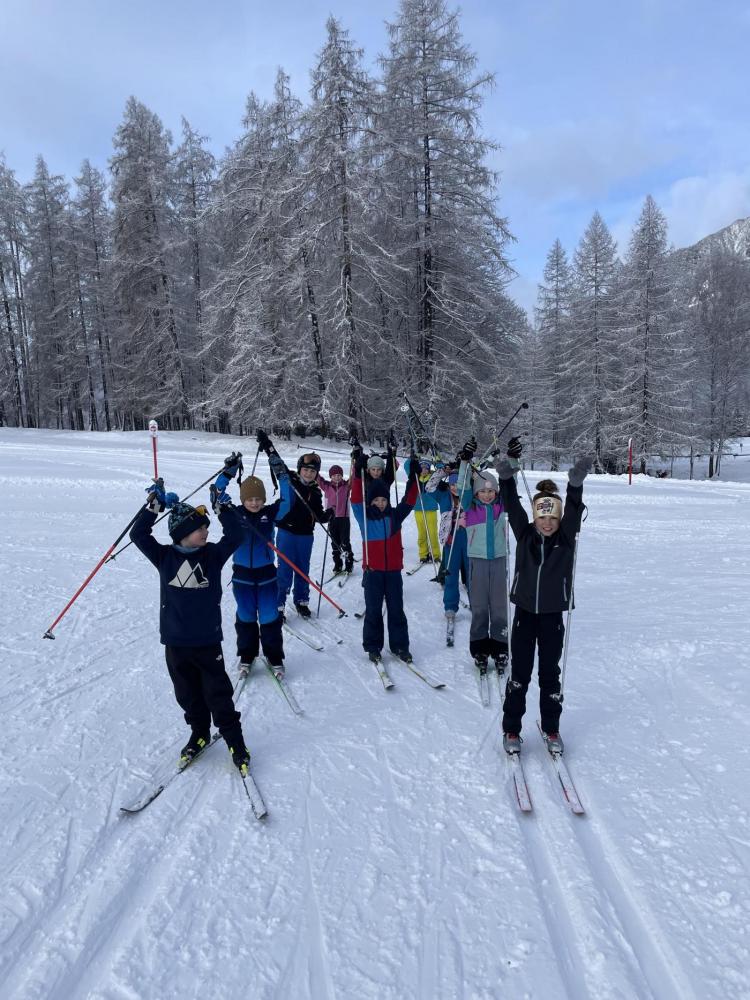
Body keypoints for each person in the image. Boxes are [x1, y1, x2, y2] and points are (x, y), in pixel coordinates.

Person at [129, 479, 250, 774]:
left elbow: (236, 534)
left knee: (218, 694)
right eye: (200, 528)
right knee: (187, 694)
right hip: (175, 642)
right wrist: (153, 507)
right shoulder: (165, 557)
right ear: (182, 534)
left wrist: (223, 509)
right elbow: (138, 534)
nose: (206, 532)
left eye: (206, 527)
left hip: (207, 641)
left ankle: (235, 742)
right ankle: (199, 733)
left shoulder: (212, 556)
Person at [494, 448, 591, 755]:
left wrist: (575, 485)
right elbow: (512, 506)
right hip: (524, 614)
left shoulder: (566, 538)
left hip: (552, 617)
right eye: (542, 518)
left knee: (550, 675)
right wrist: (505, 480)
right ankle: (512, 729)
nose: (547, 524)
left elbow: (573, 510)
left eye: (552, 518)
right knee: (519, 675)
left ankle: (551, 728)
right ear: (535, 518)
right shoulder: (525, 535)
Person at [213, 451, 292, 674]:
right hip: (242, 576)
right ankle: (247, 656)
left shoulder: (270, 514)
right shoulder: (234, 514)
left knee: (269, 617)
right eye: (250, 499)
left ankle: (274, 657)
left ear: (263, 499)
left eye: (258, 499)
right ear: (243, 500)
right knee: (246, 616)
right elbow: (216, 496)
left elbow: (287, 501)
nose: (254, 503)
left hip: (266, 575)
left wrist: (282, 474)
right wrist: (228, 472)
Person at [350, 452, 420, 661]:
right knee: (373, 610)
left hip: (393, 573)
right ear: (370, 501)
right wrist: (357, 475)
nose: (380, 503)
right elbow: (355, 499)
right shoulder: (364, 518)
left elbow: (409, 500)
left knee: (396, 609)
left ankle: (400, 646)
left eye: (383, 500)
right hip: (373, 572)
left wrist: (414, 477)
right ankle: (373, 647)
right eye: (376, 500)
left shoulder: (394, 516)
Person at [256, 430, 331, 619]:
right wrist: (268, 445)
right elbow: (277, 462)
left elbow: (318, 514)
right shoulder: (288, 479)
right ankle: (278, 604)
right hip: (287, 533)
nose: (308, 473)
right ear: (299, 469)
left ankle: (301, 600)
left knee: (303, 568)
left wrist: (326, 516)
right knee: (284, 569)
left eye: (312, 471)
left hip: (306, 535)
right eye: (305, 470)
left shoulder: (316, 492)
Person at [457, 437, 510, 673]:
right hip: (477, 561)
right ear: (476, 493)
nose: (487, 495)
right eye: (483, 491)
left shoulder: (501, 506)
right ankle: (479, 648)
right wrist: (464, 462)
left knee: (499, 606)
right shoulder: (470, 506)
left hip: (498, 560)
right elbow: (462, 486)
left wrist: (508, 461)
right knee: (479, 606)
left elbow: (509, 481)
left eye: (491, 491)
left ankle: (500, 648)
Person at [426, 467, 470, 622]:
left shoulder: (469, 495)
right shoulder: (444, 495)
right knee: (451, 574)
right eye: (452, 484)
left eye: (458, 484)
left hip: (470, 539)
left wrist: (469, 472)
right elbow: (429, 487)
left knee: (472, 574)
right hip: (451, 539)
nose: (455, 487)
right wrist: (443, 472)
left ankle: (477, 603)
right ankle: (450, 606)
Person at [318, 464, 354, 575]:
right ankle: (338, 565)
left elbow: (354, 476)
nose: (336, 477)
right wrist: (315, 466)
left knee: (345, 543)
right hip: (332, 519)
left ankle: (349, 564)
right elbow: (317, 478)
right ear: (330, 477)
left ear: (342, 476)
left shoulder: (346, 486)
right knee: (335, 544)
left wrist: (354, 464)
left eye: (339, 475)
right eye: (334, 476)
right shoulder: (326, 486)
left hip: (344, 518)